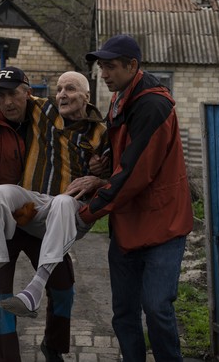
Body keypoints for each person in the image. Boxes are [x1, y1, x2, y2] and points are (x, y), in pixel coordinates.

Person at [65, 35, 194, 362]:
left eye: (110, 67)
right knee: (123, 312)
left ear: (132, 66)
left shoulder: (153, 105)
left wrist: (87, 213)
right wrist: (103, 164)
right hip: (128, 224)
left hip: (162, 224)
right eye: (101, 67)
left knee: (156, 307)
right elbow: (121, 149)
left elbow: (135, 174)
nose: (103, 74)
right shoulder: (121, 98)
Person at [0, 71, 109, 320]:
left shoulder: (101, 133)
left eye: (71, 89)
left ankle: (35, 290)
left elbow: (121, 175)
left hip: (70, 214)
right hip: (35, 206)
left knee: (63, 203)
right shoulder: (42, 110)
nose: (63, 94)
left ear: (87, 96)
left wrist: (100, 177)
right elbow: (5, 100)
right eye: (60, 89)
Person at [0, 67, 78, 362]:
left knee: (63, 283)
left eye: (13, 94)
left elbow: (79, 143)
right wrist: (11, 215)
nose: (7, 102)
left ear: (27, 91)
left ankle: (53, 345)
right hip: (2, 224)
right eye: (0, 95)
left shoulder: (48, 120)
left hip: (38, 220)